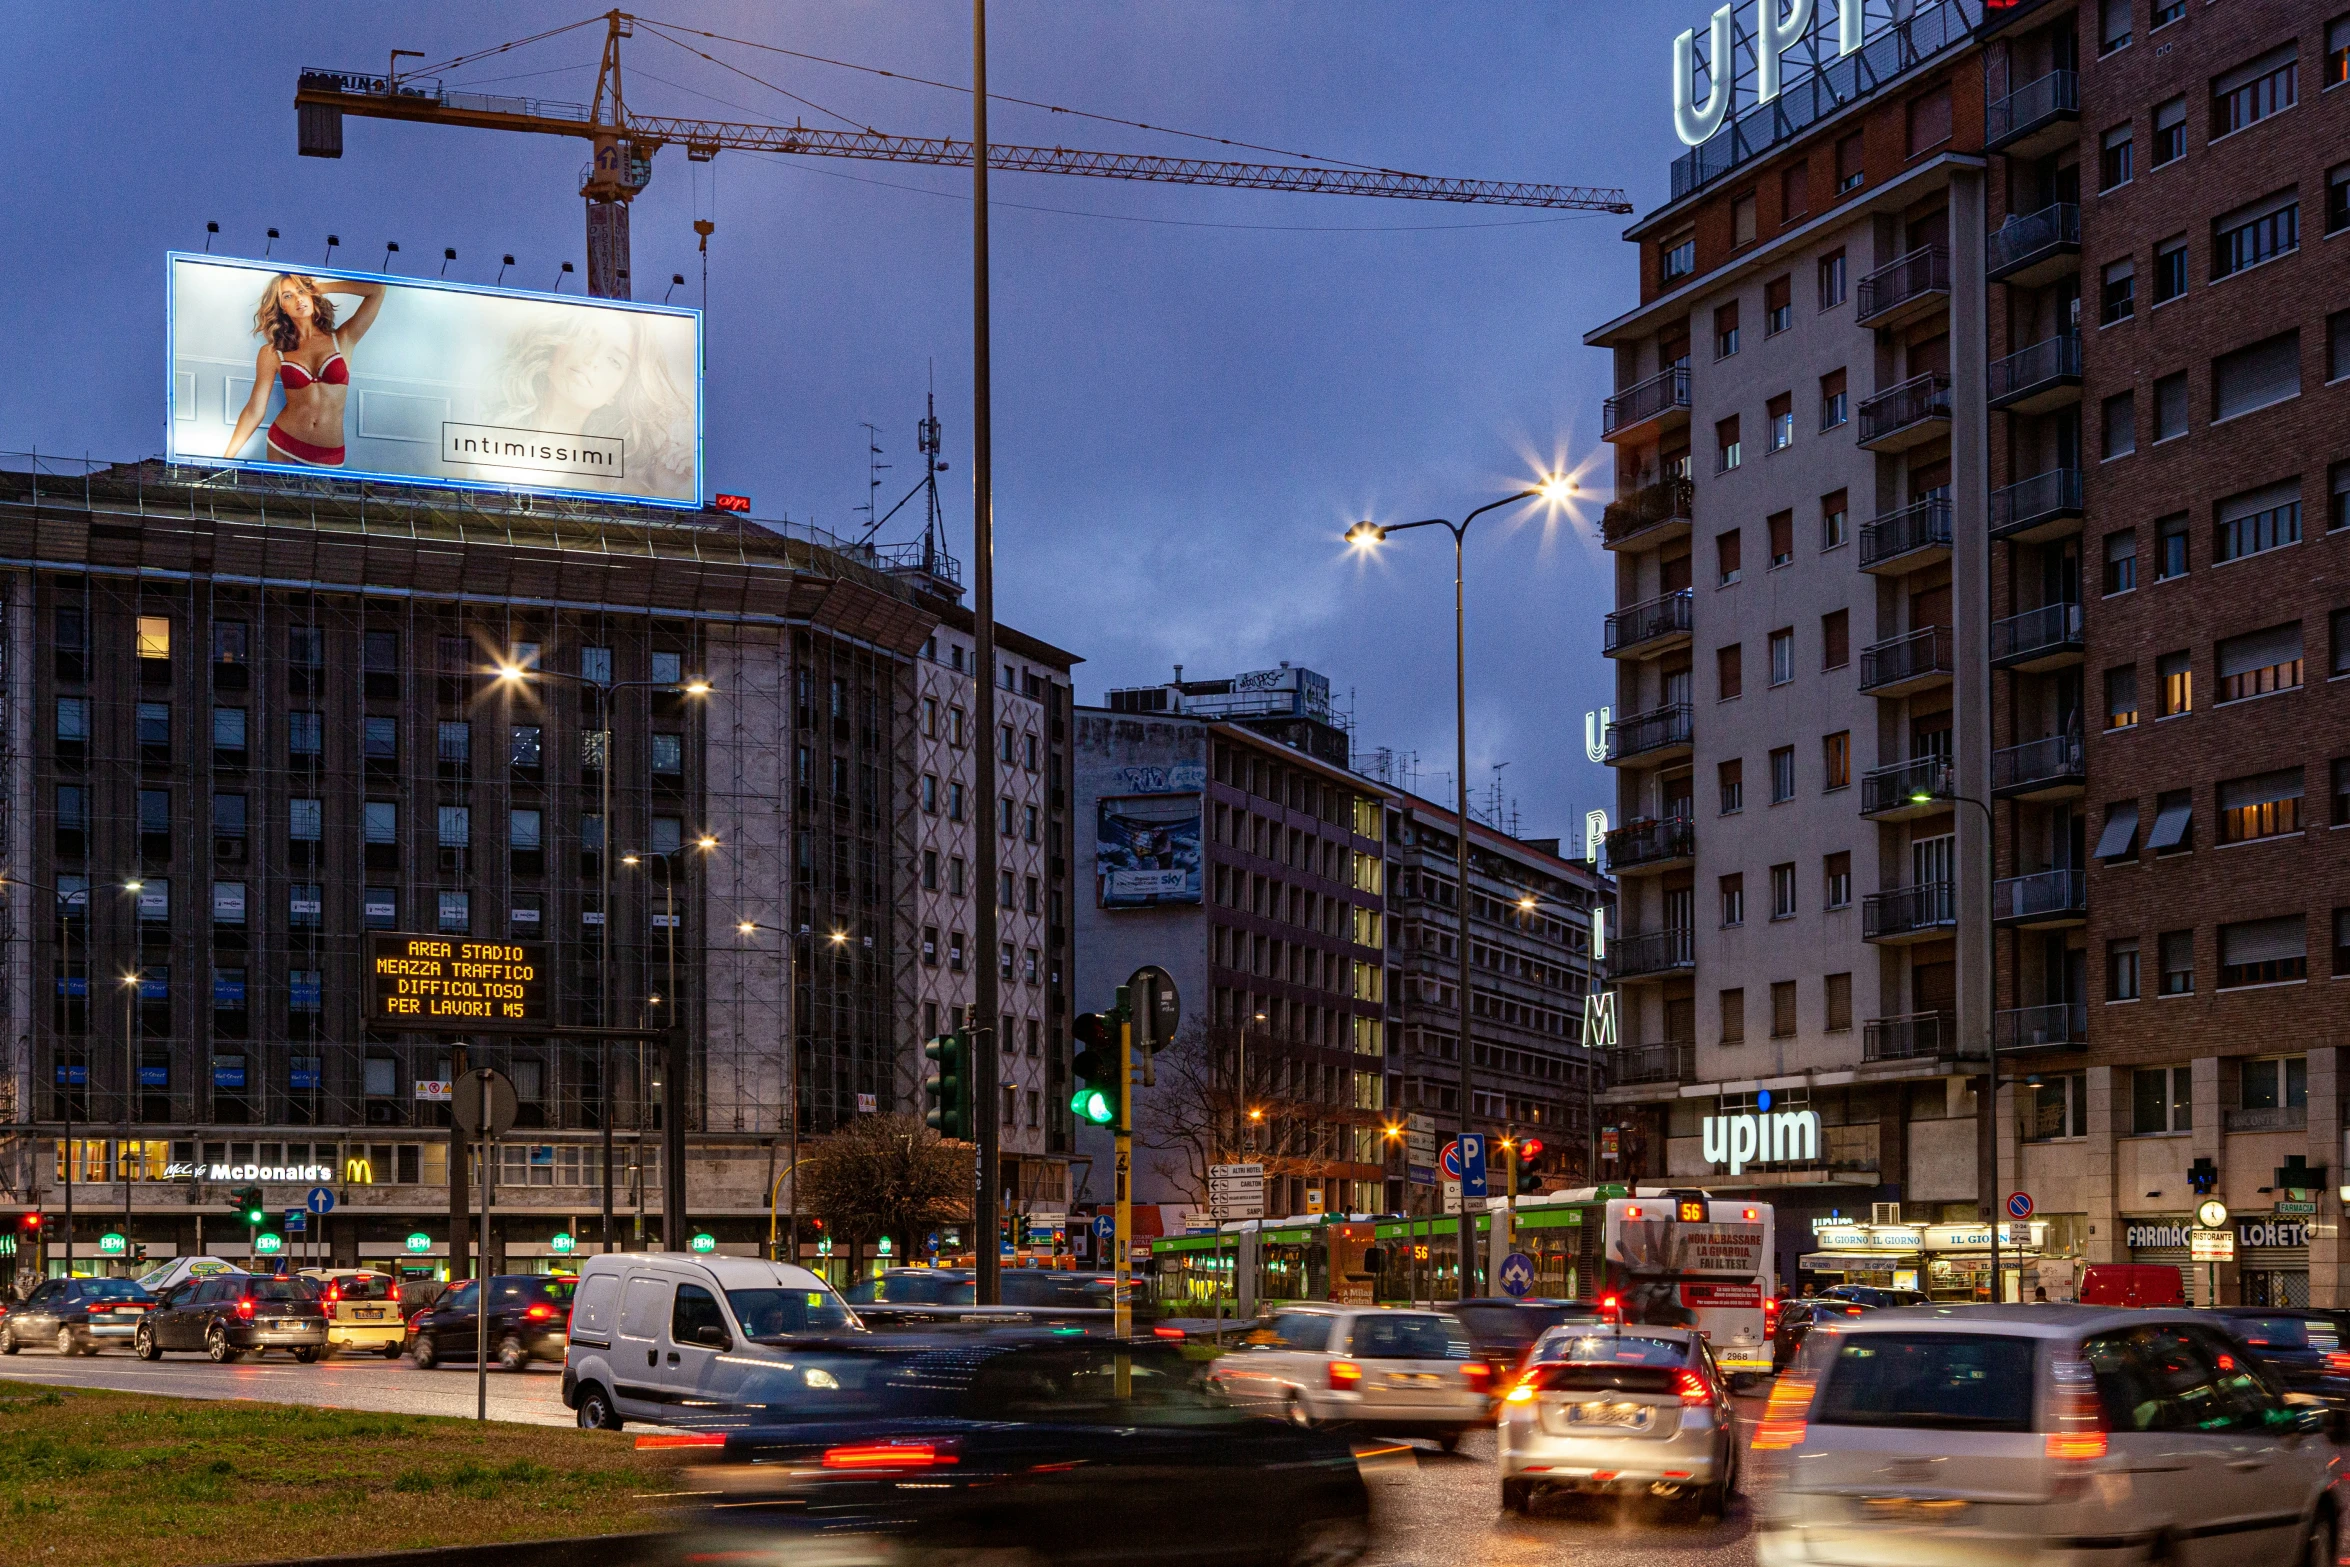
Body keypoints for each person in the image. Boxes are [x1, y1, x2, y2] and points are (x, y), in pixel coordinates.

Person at [475, 309, 693, 496]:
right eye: (587, 338)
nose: (592, 359)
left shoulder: (613, 481)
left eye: (613, 360)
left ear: (617, 393)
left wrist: (667, 489)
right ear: (557, 343)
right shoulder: (483, 437)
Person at [222, 273, 386, 468]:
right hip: (283, 446)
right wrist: (226, 459)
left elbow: (377, 290)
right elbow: (254, 410)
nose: (298, 298)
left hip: (329, 455)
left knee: (329, 500)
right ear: (282, 306)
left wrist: (323, 287)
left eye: (301, 291)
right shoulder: (272, 352)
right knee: (281, 500)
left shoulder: (343, 339)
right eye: (288, 295)